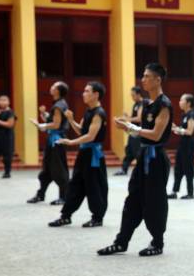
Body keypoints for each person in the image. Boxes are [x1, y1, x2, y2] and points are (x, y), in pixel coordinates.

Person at [96, 63, 172, 257]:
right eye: (143, 76)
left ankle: (157, 242)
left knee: (154, 201)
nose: (143, 79)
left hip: (156, 160)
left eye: (147, 76)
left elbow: (155, 135)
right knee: (133, 200)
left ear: (157, 80)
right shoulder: (146, 104)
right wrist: (128, 124)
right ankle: (121, 241)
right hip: (144, 156)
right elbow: (143, 131)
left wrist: (130, 128)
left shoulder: (164, 104)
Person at [48, 82, 108, 228]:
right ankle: (66, 216)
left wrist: (71, 142)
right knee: (75, 184)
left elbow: (91, 136)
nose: (83, 94)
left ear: (96, 95)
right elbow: (82, 131)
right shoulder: (88, 111)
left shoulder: (99, 113)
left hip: (94, 156)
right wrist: (71, 120)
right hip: (84, 154)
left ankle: (97, 218)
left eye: (87, 91)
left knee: (94, 187)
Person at [27, 81, 70, 205]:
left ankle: (64, 196)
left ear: (58, 91)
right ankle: (41, 194)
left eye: (54, 86)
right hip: (53, 140)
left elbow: (56, 125)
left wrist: (41, 125)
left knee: (59, 170)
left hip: (56, 142)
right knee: (47, 170)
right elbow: (54, 120)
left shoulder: (58, 106)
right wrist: (43, 114)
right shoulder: (59, 104)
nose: (51, 88)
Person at [168, 93, 194, 200]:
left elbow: (190, 131)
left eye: (182, 100)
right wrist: (175, 128)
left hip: (189, 145)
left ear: (188, 103)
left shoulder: (191, 115)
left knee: (188, 168)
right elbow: (183, 130)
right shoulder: (184, 115)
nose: (179, 102)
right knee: (178, 168)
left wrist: (178, 130)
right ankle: (174, 191)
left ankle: (190, 193)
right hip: (182, 144)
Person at [114, 86, 145, 176]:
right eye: (131, 95)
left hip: (139, 132)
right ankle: (124, 169)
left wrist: (126, 118)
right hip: (133, 131)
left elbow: (139, 119)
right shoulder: (135, 104)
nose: (132, 97)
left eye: (133, 95)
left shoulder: (142, 104)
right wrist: (126, 118)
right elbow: (133, 118)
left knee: (136, 151)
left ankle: (141, 170)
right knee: (129, 150)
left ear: (139, 94)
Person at [0, 95, 17, 178]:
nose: (2, 102)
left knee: (7, 156)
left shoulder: (10, 112)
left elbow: (10, 124)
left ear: (8, 102)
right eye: (0, 100)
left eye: (4, 100)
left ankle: (7, 172)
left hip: (7, 137)